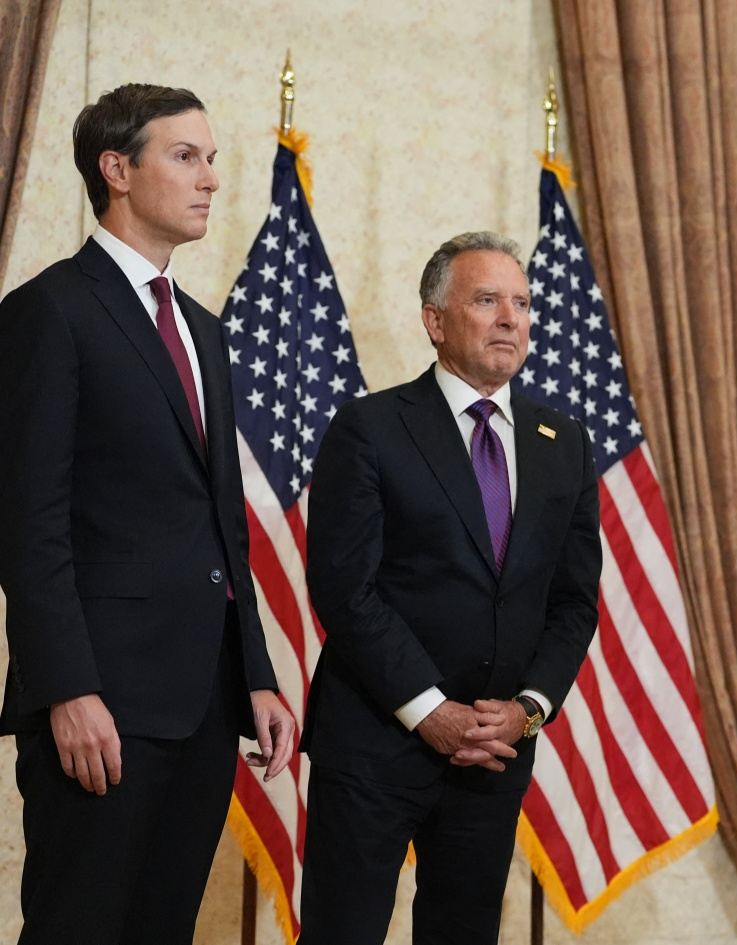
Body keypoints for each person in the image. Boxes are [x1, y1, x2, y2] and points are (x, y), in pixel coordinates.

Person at [0, 83, 295, 944]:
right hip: (101, 701)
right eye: (186, 156)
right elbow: (27, 522)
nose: (211, 179)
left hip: (203, 702)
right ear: (117, 169)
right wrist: (67, 686)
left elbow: (222, 522)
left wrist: (255, 673)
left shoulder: (204, 329)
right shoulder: (48, 311)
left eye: (213, 159)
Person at [298, 231, 602, 944]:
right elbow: (346, 591)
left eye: (521, 303)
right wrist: (429, 709)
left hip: (493, 755)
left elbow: (573, 602)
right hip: (375, 744)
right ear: (435, 321)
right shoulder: (370, 428)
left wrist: (528, 709)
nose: (511, 319)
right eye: (487, 300)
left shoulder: (565, 443)